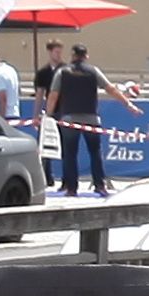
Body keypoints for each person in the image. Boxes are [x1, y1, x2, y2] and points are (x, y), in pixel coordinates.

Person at [46, 42, 110, 195]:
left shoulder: (63, 72)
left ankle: (72, 188)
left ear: (73, 56)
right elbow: (110, 88)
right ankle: (99, 185)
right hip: (91, 117)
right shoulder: (93, 71)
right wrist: (128, 104)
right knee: (95, 152)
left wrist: (48, 114)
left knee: (70, 153)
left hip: (69, 117)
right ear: (86, 56)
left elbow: (53, 95)